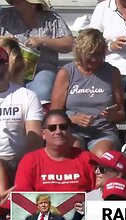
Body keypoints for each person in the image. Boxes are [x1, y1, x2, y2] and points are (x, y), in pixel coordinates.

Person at [50, 28, 125, 157]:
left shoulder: (112, 72)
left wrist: (113, 115)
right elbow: (54, 114)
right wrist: (73, 119)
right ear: (80, 53)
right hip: (72, 130)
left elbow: (122, 113)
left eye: (99, 54)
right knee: (74, 150)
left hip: (103, 131)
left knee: (102, 154)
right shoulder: (67, 72)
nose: (95, 59)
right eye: (90, 55)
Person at [0, 0, 74, 102]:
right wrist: (5, 40)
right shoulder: (5, 15)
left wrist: (43, 41)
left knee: (42, 91)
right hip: (11, 69)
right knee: (9, 92)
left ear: (32, 3)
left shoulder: (51, 18)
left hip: (41, 68)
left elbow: (69, 44)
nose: (15, 1)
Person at [14, 110, 96, 192]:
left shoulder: (88, 159)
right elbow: (22, 197)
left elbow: (101, 194)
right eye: (52, 128)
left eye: (63, 127)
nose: (58, 131)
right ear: (43, 134)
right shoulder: (29, 160)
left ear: (70, 131)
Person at [0, 47, 43, 194]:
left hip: (19, 159)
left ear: (6, 65)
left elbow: (35, 139)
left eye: (0, 62)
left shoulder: (26, 96)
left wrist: (17, 162)